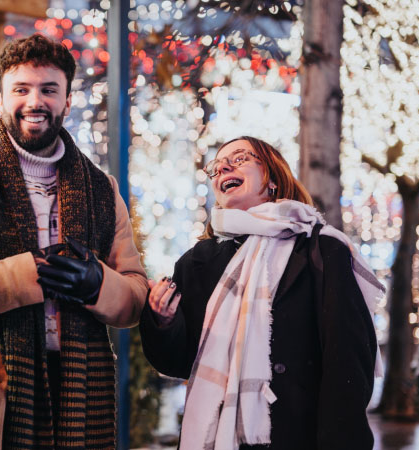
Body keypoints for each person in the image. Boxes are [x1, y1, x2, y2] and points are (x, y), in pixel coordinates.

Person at [0, 34, 147, 449]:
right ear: (1, 99)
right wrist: (27, 276)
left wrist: (97, 284)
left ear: (67, 101)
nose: (35, 101)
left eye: (49, 90)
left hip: (80, 388)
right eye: (21, 89)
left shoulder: (102, 189)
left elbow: (135, 297)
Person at [139, 136, 383, 449]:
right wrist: (164, 321)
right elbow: (178, 363)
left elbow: (348, 360)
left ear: (273, 178)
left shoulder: (320, 249)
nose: (223, 166)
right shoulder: (197, 262)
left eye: (240, 158)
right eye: (216, 167)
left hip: (301, 437)